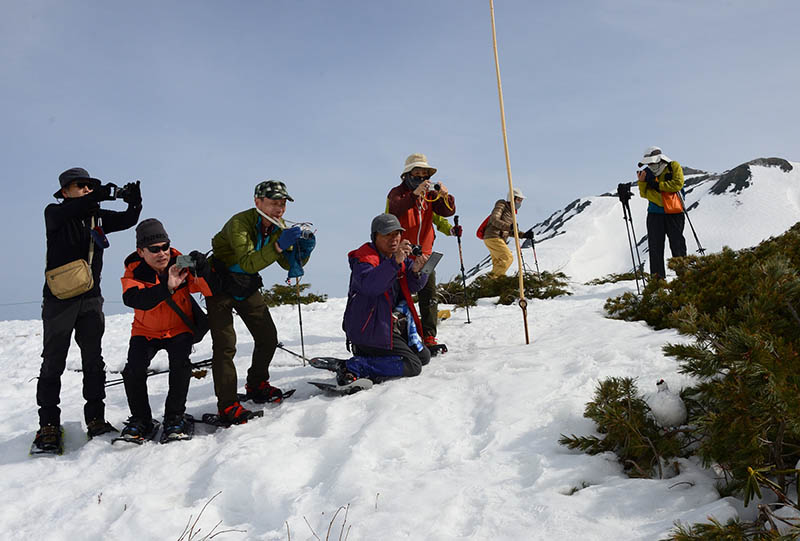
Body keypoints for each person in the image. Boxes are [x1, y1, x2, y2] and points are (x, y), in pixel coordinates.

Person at [34, 167, 142, 452]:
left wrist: (134, 202)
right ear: (64, 191)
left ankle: (96, 419)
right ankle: (48, 424)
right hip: (59, 300)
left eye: (89, 186)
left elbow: (129, 220)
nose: (85, 189)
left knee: (93, 360)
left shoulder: (97, 218)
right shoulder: (54, 213)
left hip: (90, 298)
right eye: (79, 185)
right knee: (53, 362)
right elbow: (73, 209)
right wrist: (102, 195)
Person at [206, 180, 315, 425]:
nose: (280, 208)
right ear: (258, 202)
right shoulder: (239, 223)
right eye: (274, 202)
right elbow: (247, 262)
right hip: (219, 285)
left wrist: (303, 251)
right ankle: (227, 405)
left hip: (245, 285)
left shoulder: (279, 226)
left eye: (283, 203)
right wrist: (278, 245)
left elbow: (287, 263)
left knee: (267, 337)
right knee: (225, 345)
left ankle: (256, 384)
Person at [119, 219, 213, 442]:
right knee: (133, 370)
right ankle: (141, 419)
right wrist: (167, 287)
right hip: (145, 331)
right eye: (154, 249)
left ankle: (175, 417)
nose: (162, 253)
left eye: (165, 247)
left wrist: (203, 269)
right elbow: (135, 300)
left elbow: (207, 289)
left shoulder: (181, 262)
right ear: (141, 252)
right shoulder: (133, 272)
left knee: (180, 366)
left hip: (178, 329)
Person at [340, 214, 431, 384]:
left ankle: (370, 359)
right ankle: (358, 365)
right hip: (369, 329)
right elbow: (371, 286)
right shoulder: (364, 259)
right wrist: (394, 262)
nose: (394, 239)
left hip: (387, 325)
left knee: (423, 357)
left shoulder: (397, 257)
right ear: (375, 236)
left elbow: (413, 286)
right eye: (387, 234)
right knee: (413, 365)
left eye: (397, 234)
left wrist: (418, 271)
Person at [387, 153, 456, 350]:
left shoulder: (430, 197)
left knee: (429, 294)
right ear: (406, 175)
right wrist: (414, 194)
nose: (421, 178)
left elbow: (445, 213)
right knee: (399, 295)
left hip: (425, 253)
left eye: (424, 175)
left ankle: (428, 335)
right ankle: (395, 334)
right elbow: (393, 210)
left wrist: (445, 195)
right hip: (402, 252)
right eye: (416, 174)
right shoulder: (397, 193)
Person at [637, 146, 687, 279]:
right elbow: (644, 193)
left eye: (651, 162)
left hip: (674, 212)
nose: (650, 165)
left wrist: (657, 186)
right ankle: (657, 280)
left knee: (677, 245)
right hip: (655, 214)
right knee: (655, 248)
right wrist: (642, 183)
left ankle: (684, 278)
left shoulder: (674, 166)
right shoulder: (646, 173)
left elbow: (677, 184)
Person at [483, 188, 527, 278]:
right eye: (518, 200)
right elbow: (494, 219)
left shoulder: (511, 213)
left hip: (494, 237)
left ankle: (494, 287)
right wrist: (509, 227)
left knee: (498, 263)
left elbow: (509, 231)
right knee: (507, 258)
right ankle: (489, 282)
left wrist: (524, 235)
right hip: (494, 236)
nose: (519, 203)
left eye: (521, 201)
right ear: (512, 198)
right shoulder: (501, 205)